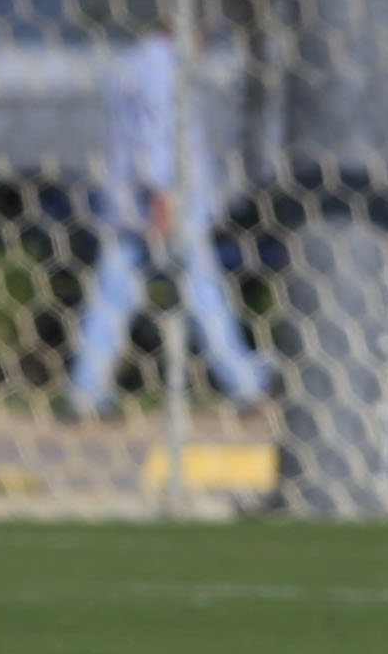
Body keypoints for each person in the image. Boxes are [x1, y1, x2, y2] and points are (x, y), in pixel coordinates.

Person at [68, 29, 271, 417]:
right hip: (168, 202)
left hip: (129, 202)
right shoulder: (163, 67)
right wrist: (163, 192)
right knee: (203, 292)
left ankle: (85, 391)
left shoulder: (129, 62)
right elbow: (157, 133)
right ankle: (245, 383)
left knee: (113, 295)